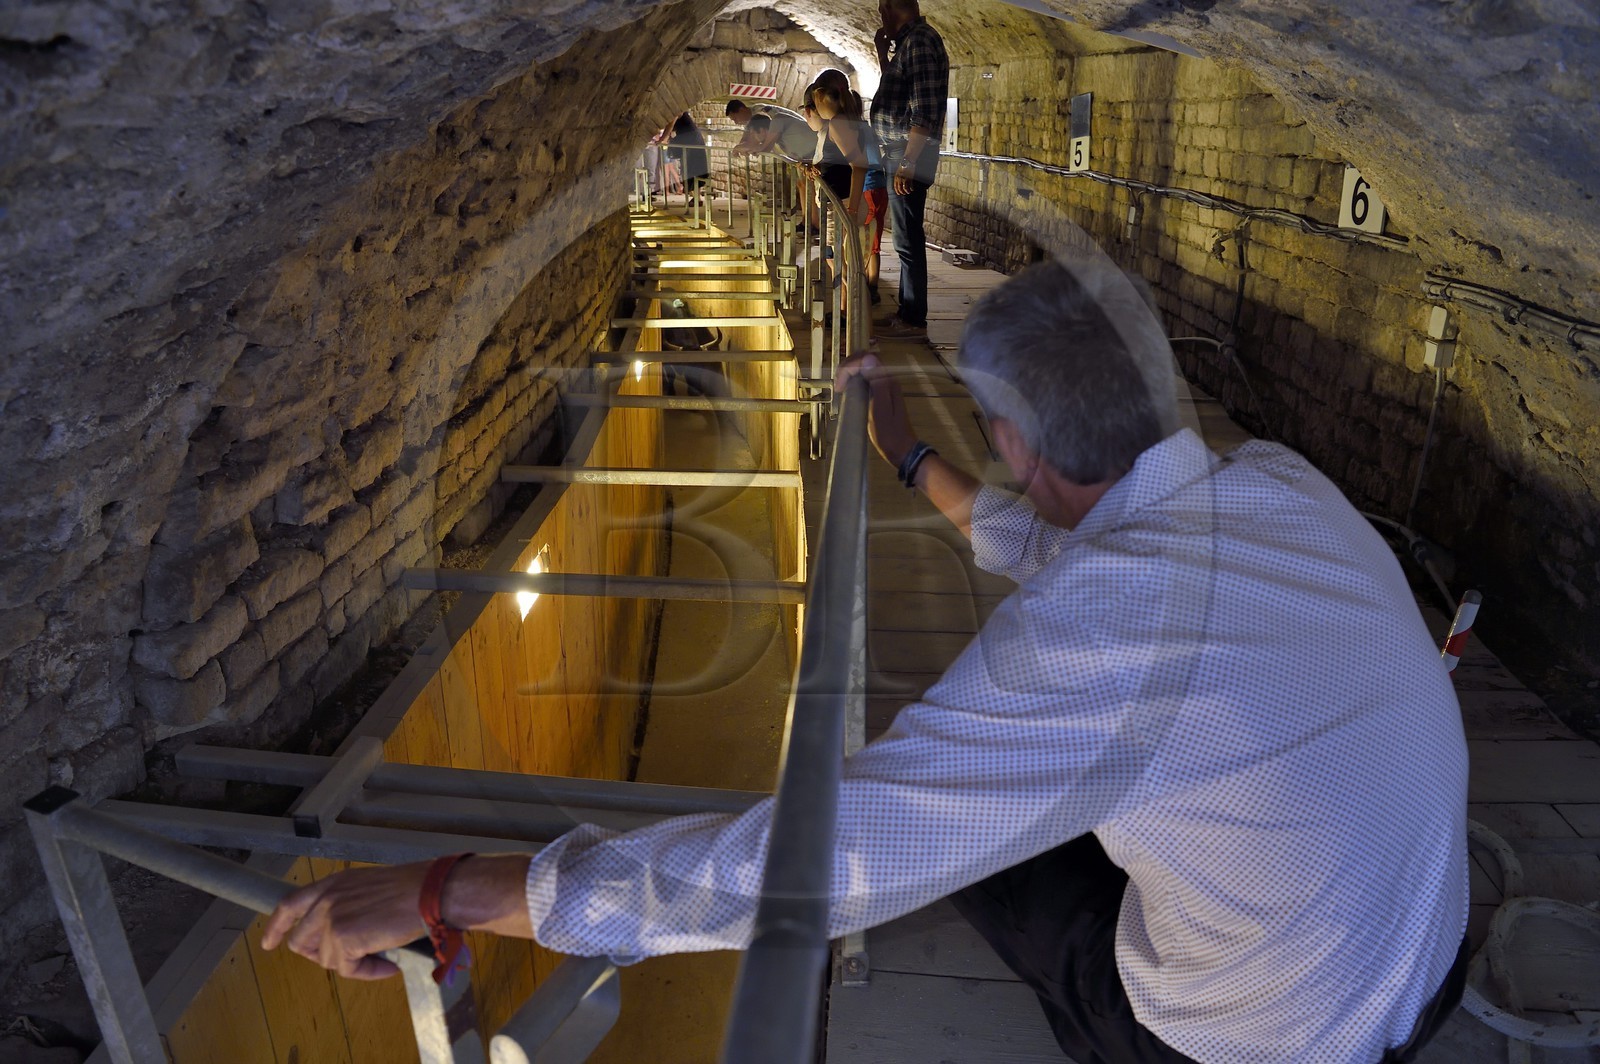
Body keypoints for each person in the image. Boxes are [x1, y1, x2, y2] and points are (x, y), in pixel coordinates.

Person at [261, 256, 1471, 1064]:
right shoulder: (1276, 483)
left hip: (1276, 1032)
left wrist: (457, 887)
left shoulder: (1098, 639)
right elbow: (1105, 557)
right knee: (1020, 811)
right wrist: (907, 463)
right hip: (1412, 938)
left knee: (980, 867)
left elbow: (816, 864)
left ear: (1008, 435)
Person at [871, 0, 949, 338]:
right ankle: (907, 310)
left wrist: (907, 163)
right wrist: (880, 53)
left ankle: (914, 318)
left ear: (891, 10)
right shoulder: (907, 44)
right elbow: (897, 90)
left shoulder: (918, 42)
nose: (881, 19)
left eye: (881, 12)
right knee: (904, 235)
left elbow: (924, 111)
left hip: (907, 154)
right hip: (901, 153)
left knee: (907, 238)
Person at [726, 99, 817, 162]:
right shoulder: (753, 121)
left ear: (741, 110)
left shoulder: (762, 113)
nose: (736, 122)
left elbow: (762, 147)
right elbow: (747, 140)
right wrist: (741, 147)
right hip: (806, 153)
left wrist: (740, 148)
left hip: (815, 145)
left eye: (735, 118)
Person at [666, 111, 709, 196]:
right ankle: (696, 196)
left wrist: (664, 137)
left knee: (693, 169)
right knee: (689, 169)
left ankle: (696, 197)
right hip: (688, 140)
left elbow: (671, 125)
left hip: (691, 141)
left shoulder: (678, 110)